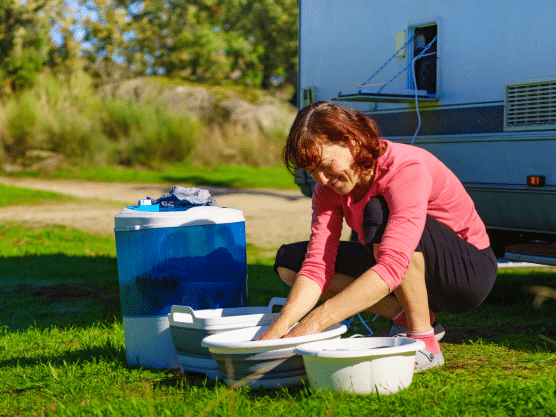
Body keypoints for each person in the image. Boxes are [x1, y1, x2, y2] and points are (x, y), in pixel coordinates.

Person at [258, 101, 498, 372]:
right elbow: (317, 266)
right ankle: (404, 317)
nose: (321, 180)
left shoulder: (405, 168)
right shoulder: (327, 190)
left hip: (466, 275)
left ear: (352, 140)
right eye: (312, 171)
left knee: (378, 210)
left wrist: (313, 323)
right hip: (403, 266)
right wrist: (275, 333)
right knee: (291, 262)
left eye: (325, 166)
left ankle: (424, 342)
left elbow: (394, 264)